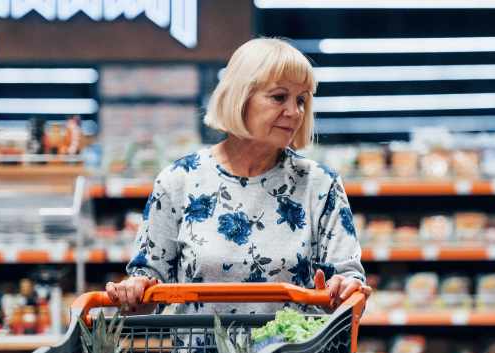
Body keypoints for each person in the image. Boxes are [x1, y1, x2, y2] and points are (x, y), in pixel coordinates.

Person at [106, 37, 371, 321]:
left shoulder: (320, 185)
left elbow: (348, 282)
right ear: (240, 97)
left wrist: (345, 290)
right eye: (279, 97)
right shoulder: (178, 181)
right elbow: (149, 285)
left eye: (302, 100)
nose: (295, 112)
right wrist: (135, 290)